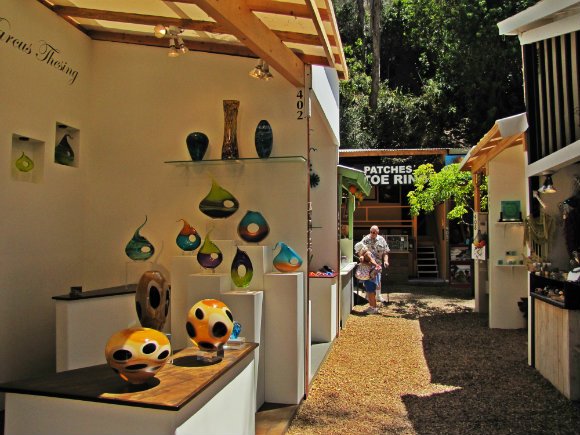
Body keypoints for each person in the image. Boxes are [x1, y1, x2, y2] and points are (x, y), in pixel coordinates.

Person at [359, 225, 390, 303]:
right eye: (371, 232)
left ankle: (378, 296)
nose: (372, 234)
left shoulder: (381, 239)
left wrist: (386, 261)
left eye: (374, 232)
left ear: (377, 232)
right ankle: (367, 295)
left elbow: (386, 252)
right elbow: (360, 250)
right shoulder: (365, 239)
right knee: (367, 279)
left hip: (378, 264)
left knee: (378, 279)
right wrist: (361, 256)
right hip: (367, 264)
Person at [354, 243, 382, 314]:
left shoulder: (366, 254)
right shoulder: (366, 253)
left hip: (370, 275)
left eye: (358, 251)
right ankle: (372, 307)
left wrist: (364, 262)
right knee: (370, 292)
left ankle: (374, 308)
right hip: (370, 275)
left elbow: (372, 262)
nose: (357, 253)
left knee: (370, 292)